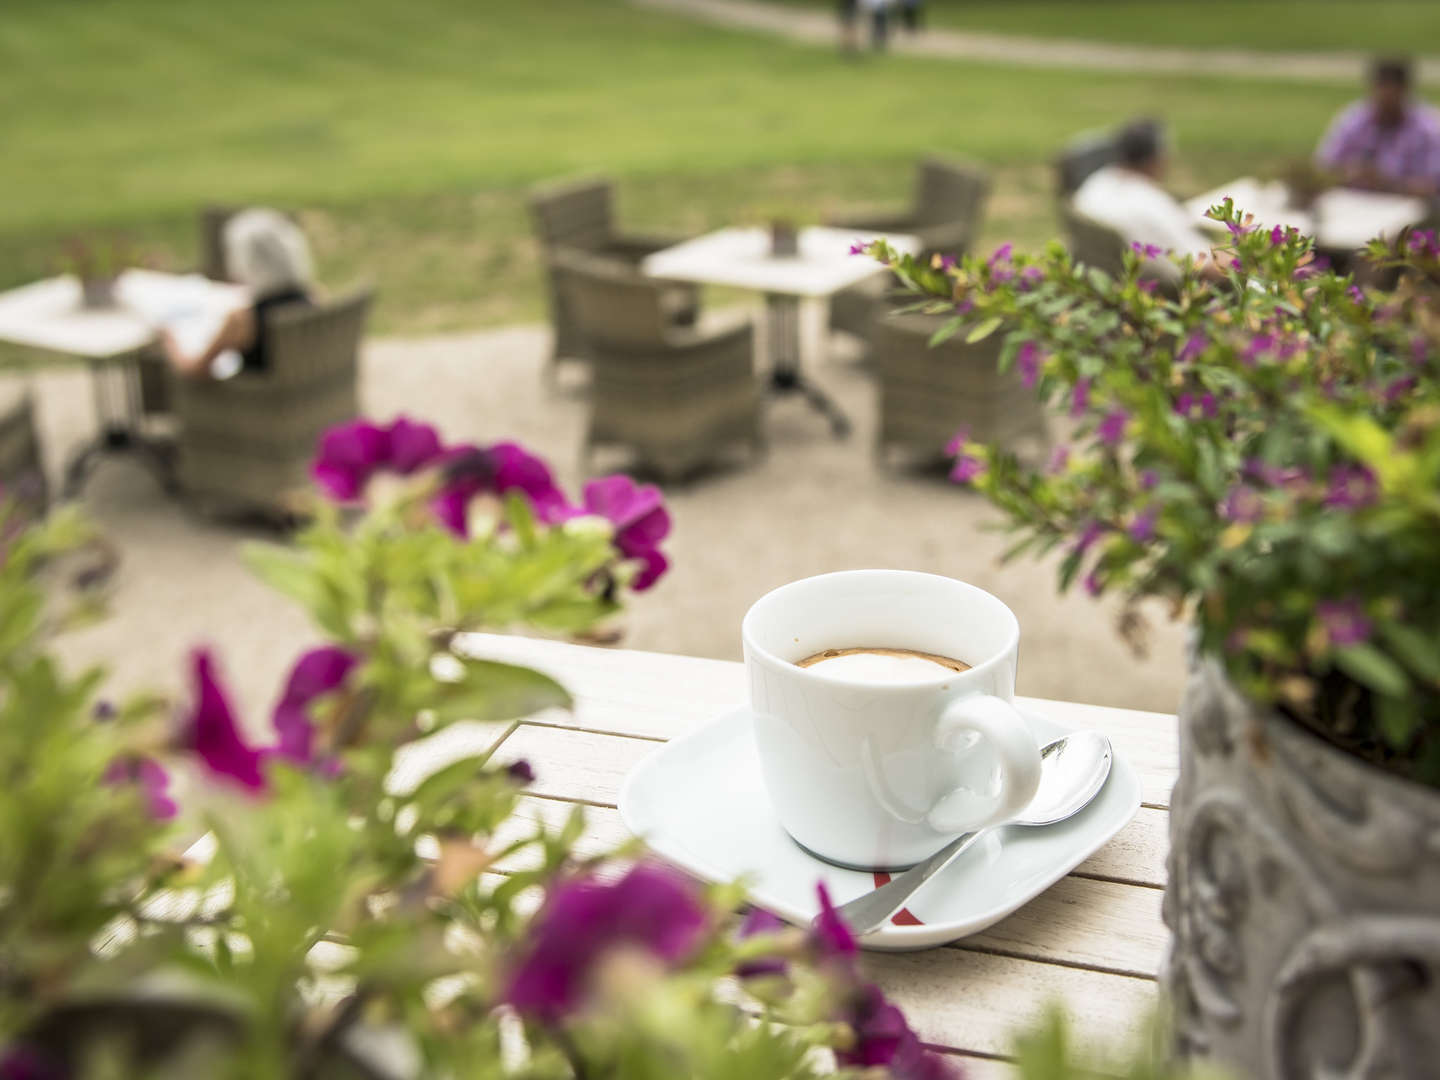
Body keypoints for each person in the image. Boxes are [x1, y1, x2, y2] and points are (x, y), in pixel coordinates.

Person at [162, 208, 316, 379]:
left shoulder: (243, 320)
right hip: (299, 392)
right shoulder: (310, 299)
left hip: (252, 400)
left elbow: (196, 369)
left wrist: (170, 340)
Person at [1072, 119, 1222, 279]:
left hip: (1112, 272)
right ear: (1155, 158)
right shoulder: (1151, 206)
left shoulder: (1096, 183)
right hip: (1166, 288)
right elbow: (1204, 266)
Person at [1315, 57, 1440, 196]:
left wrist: (1386, 183)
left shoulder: (1429, 128)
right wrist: (1349, 174)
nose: (1384, 105)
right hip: (1359, 204)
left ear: (1404, 92)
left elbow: (1433, 187)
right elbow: (1323, 167)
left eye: (1390, 99)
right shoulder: (1356, 119)